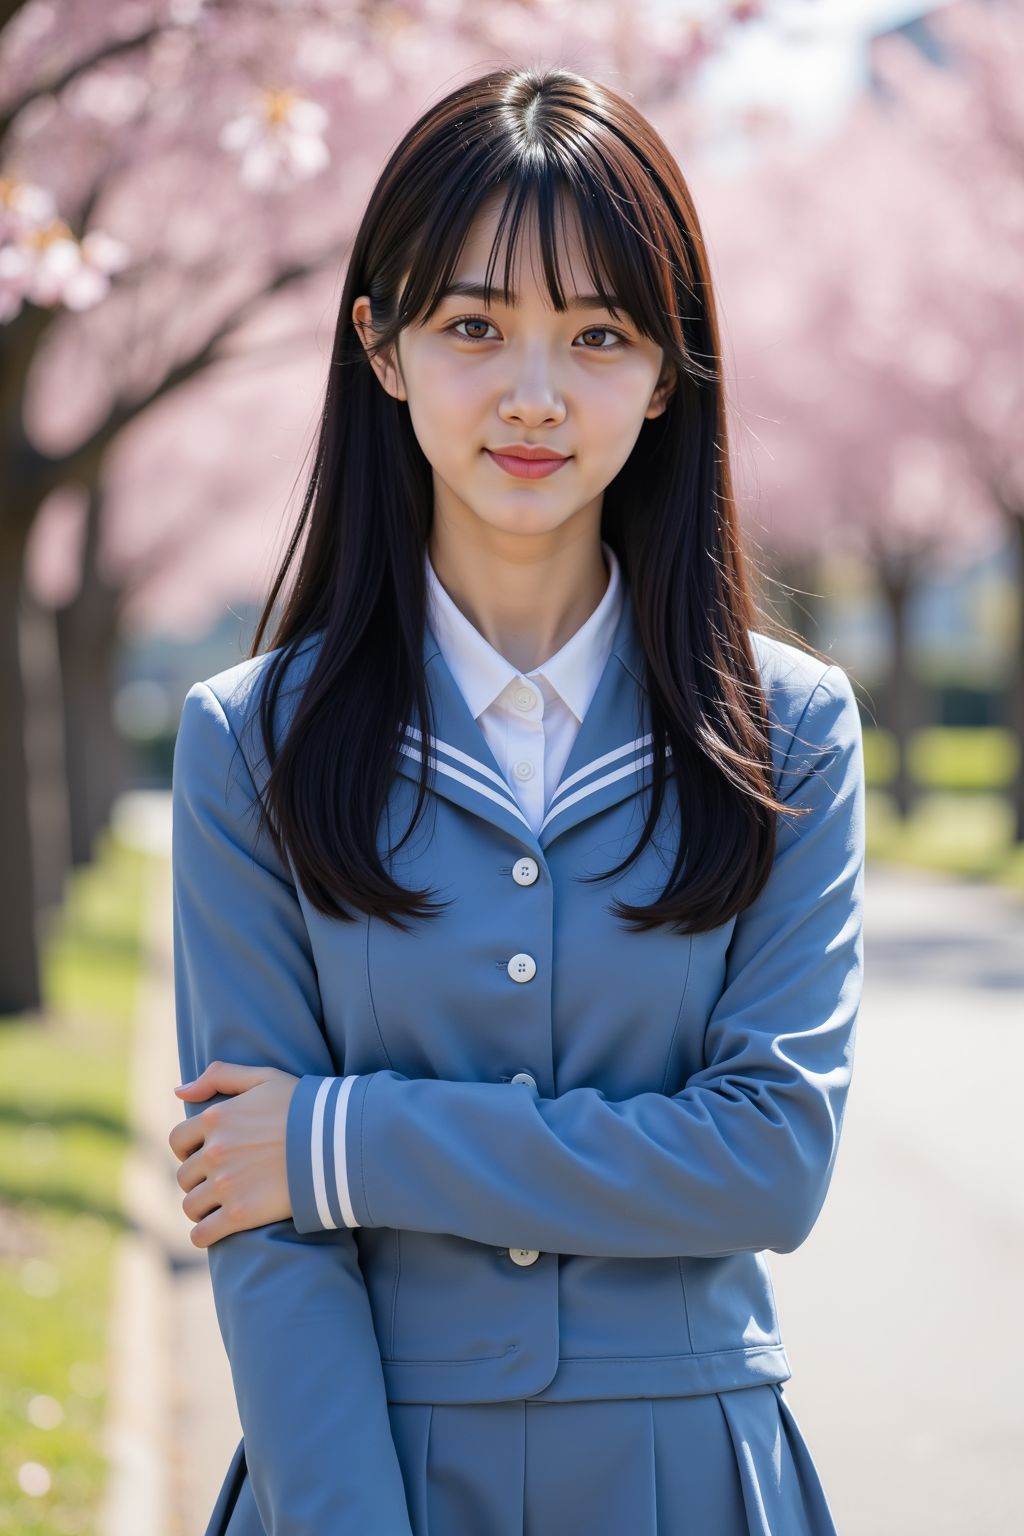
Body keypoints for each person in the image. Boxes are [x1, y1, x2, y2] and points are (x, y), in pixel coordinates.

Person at [167, 64, 864, 1536]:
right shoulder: (250, 745)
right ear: (384, 345)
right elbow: (262, 1239)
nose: (535, 396)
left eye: (599, 334)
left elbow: (769, 1162)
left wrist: (338, 1142)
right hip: (363, 1479)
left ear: (668, 372)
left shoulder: (788, 730)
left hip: (689, 1481)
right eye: (476, 326)